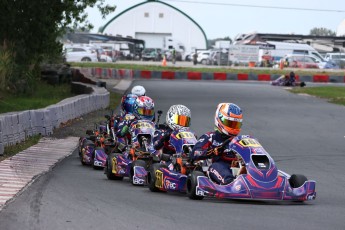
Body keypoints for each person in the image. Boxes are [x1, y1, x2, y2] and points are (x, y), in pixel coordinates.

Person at [190, 102, 243, 185]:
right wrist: (212, 151)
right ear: (220, 120)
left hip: (237, 167)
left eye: (236, 124)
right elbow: (194, 153)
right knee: (217, 167)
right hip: (217, 167)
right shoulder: (210, 137)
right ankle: (230, 184)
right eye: (230, 123)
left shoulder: (239, 140)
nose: (233, 127)